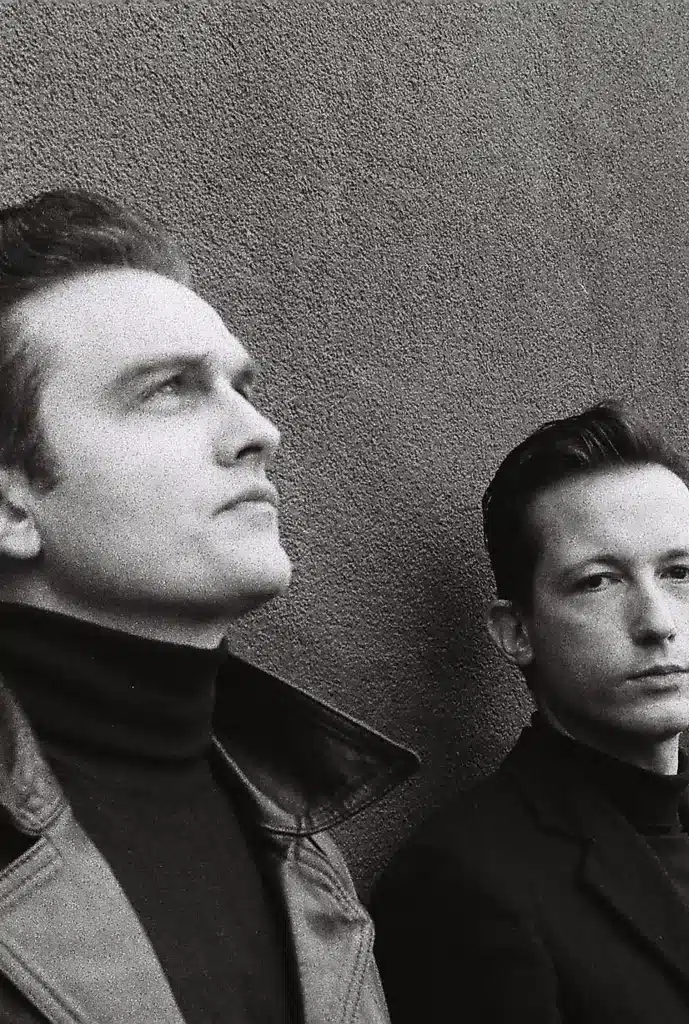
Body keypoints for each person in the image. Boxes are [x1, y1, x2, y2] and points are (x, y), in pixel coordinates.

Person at [0, 188, 416, 1023]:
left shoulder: (306, 850)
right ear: (11, 506)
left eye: (240, 385)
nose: (260, 431)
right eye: (168, 390)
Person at [371, 402, 689, 1024]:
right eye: (599, 581)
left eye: (680, 573)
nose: (657, 622)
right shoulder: (460, 882)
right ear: (516, 631)